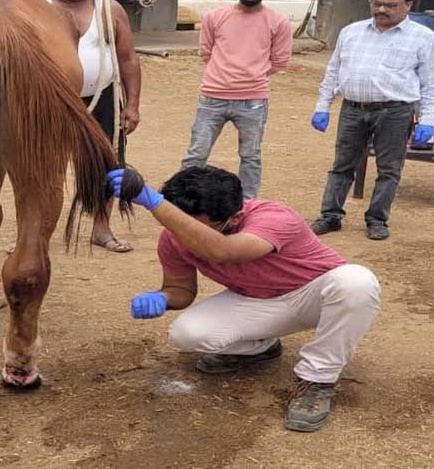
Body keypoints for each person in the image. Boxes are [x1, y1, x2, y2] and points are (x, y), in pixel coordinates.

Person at [106, 165, 381, 432]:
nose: (184, 232)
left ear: (233, 218)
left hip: (314, 296)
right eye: (180, 221)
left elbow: (222, 250)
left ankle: (316, 380)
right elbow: (181, 289)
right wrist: (162, 297)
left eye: (194, 225)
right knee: (185, 334)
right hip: (258, 302)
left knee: (356, 282)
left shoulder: (274, 216)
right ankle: (261, 347)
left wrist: (153, 201)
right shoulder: (173, 237)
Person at [308, 0, 434, 241]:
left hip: (395, 112)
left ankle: (377, 219)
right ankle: (330, 215)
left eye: (390, 5)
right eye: (377, 3)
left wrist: (428, 119)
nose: (381, 10)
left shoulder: (423, 38)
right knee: (342, 165)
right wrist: (322, 105)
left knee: (389, 169)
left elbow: (432, 82)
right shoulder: (351, 32)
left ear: (408, 5)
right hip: (353, 109)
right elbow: (333, 72)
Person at [44, 0, 142, 252]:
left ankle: (102, 229)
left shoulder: (108, 9)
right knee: (45, 169)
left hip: (104, 99)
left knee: (107, 165)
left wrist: (133, 104)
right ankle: (37, 235)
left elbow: (128, 59)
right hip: (51, 99)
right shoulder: (36, 7)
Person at [179, 0, 293, 200]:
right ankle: (183, 199)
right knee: (196, 155)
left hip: (253, 101)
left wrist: (253, 75)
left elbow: (280, 61)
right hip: (212, 97)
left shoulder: (278, 22)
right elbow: (205, 52)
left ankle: (249, 204)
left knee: (250, 156)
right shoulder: (215, 17)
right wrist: (226, 74)